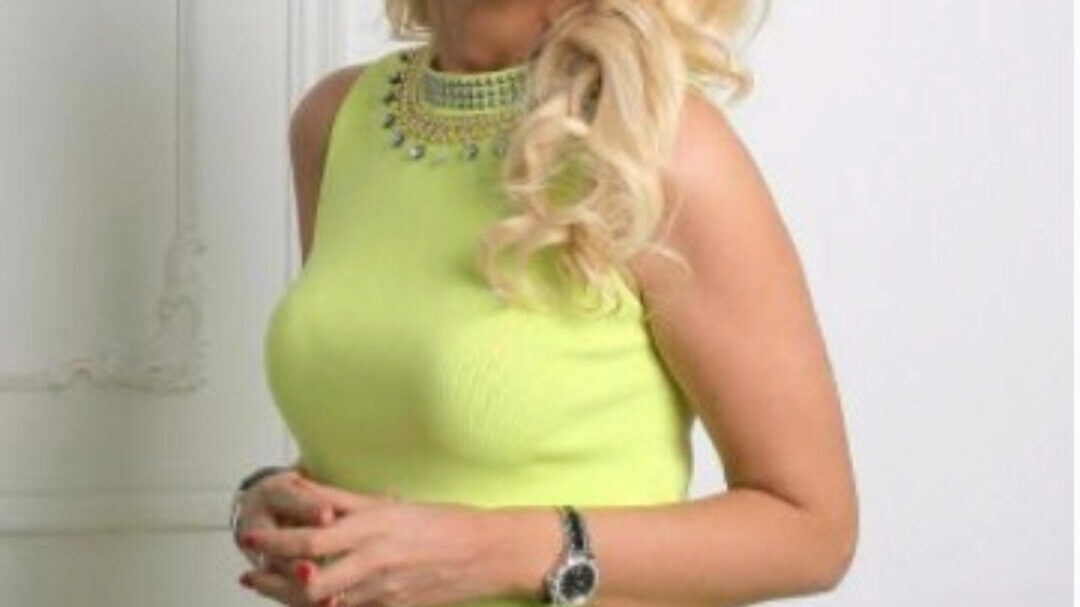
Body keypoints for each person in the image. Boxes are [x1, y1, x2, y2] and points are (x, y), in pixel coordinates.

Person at [230, 1, 859, 606]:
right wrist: (287, 507)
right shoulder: (334, 121)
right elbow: (408, 438)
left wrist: (492, 552)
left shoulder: (658, 145)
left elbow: (812, 533)